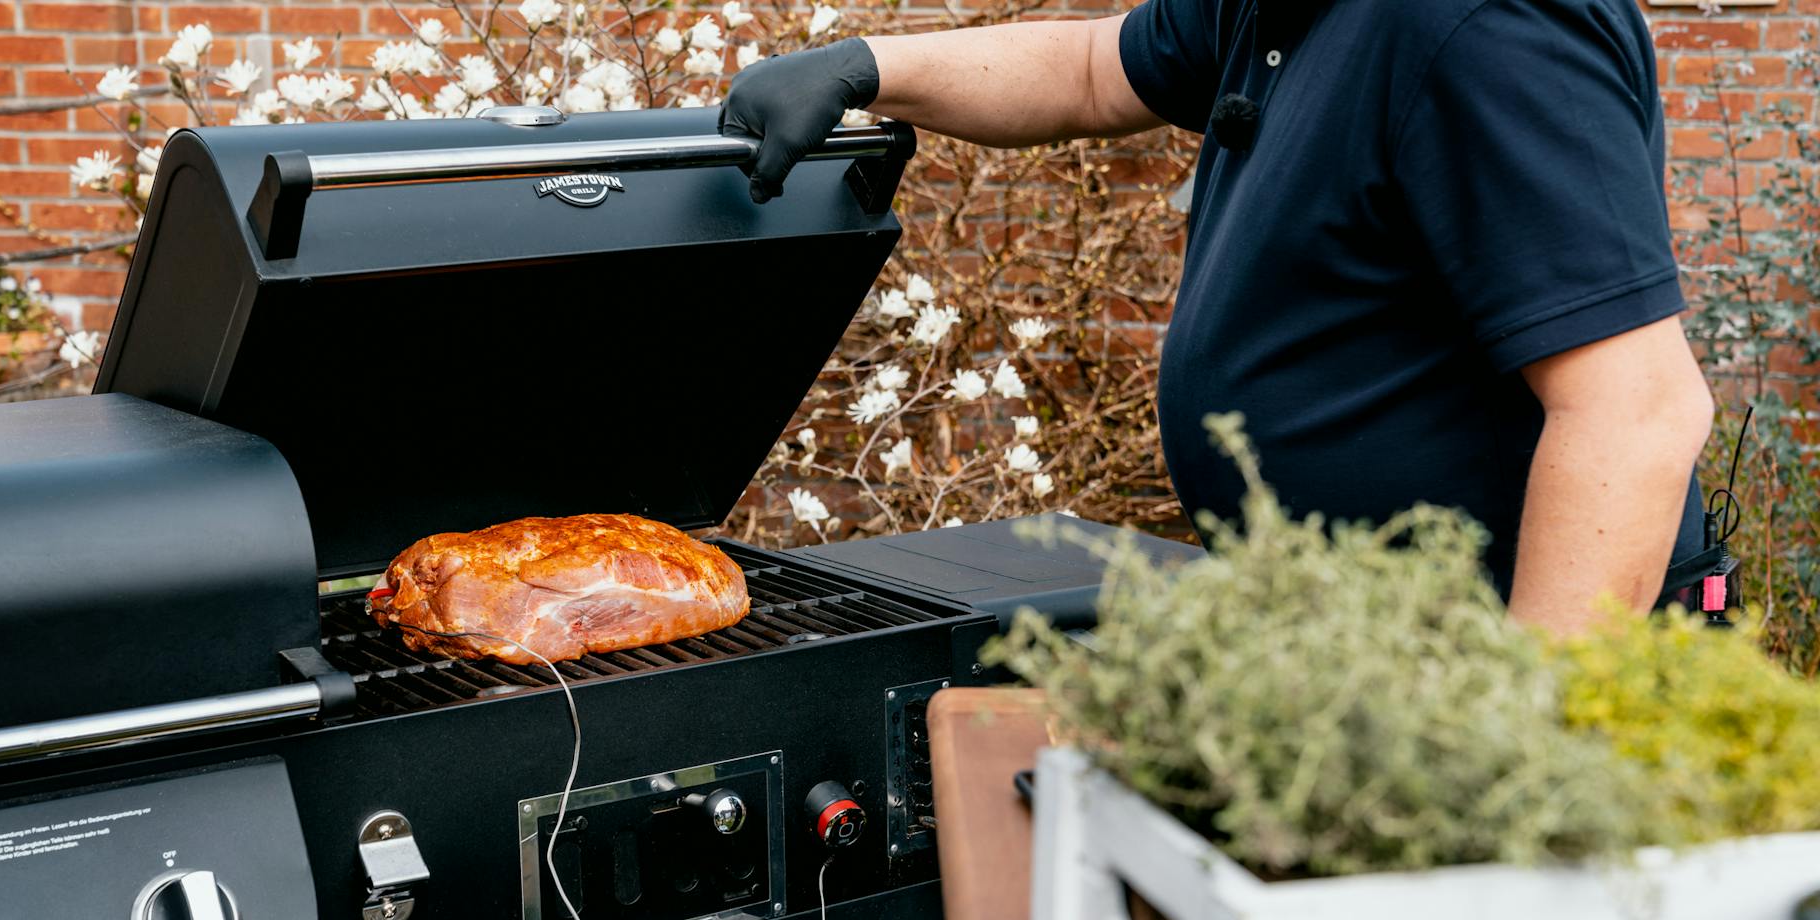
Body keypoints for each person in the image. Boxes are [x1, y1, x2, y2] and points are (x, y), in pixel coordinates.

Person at [720, 0, 1716, 635]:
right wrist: (866, 66)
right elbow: (1090, 69)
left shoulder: (1480, 25)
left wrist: (1517, 742)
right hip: (1348, 646)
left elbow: (1637, 414)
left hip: (1509, 663)